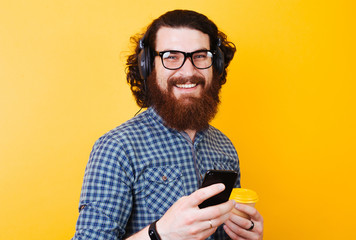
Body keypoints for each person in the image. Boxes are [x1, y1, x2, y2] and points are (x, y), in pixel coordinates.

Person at [72, 9, 264, 240]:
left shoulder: (225, 147)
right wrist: (159, 233)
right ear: (148, 66)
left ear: (217, 65)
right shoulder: (117, 147)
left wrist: (246, 233)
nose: (188, 71)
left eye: (200, 56)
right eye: (171, 56)